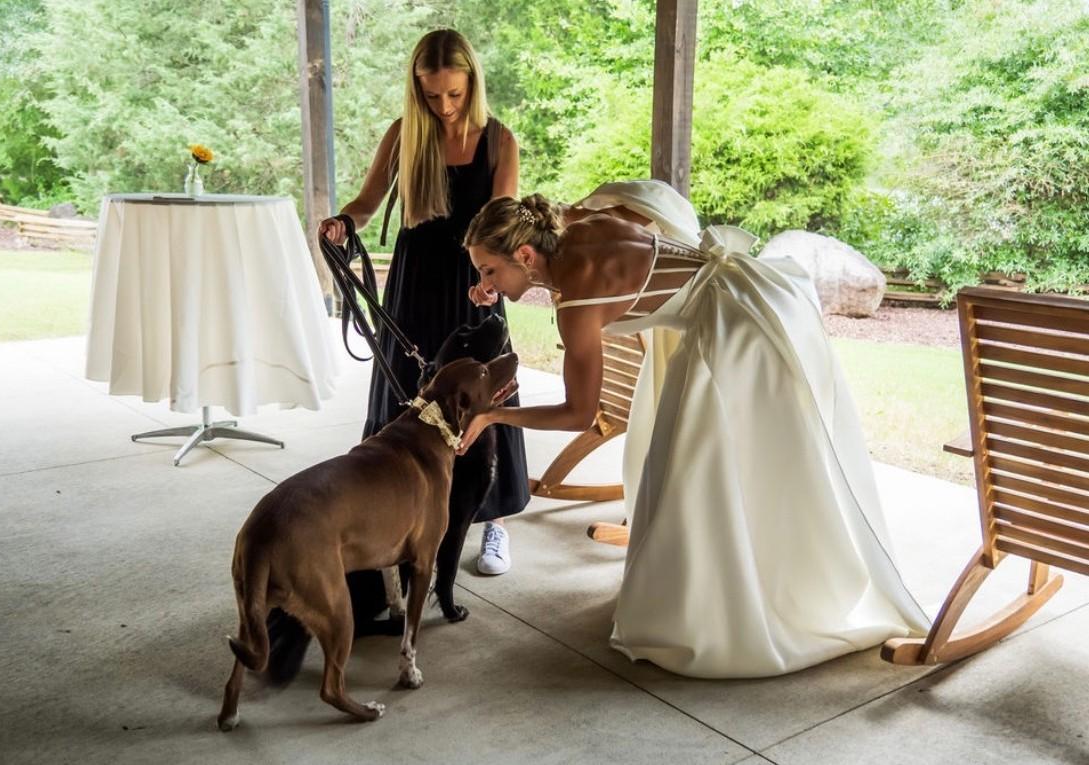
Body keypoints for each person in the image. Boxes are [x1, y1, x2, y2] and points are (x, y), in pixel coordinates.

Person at [460, 183, 930, 678]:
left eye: (488, 271)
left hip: (738, 333)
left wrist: (493, 415)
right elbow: (647, 204)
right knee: (695, 459)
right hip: (755, 290)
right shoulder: (576, 225)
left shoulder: (576, 304)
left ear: (525, 255)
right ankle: (741, 581)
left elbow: (578, 414)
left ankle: (741, 607)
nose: (485, 283)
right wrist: (501, 283)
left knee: (699, 467)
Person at [319, 28, 529, 578]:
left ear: (472, 83)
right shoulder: (403, 135)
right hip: (413, 284)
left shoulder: (499, 141)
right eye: (432, 95)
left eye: (454, 93)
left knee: (480, 396)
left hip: (473, 281)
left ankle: (492, 521)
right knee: (407, 396)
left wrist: (491, 279)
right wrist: (344, 223)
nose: (445, 105)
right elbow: (367, 202)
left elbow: (503, 222)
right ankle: (395, 518)